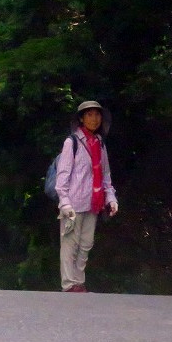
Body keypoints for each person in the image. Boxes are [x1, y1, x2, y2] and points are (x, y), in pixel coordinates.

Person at [55, 100, 118, 292]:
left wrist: (111, 198)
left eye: (97, 114)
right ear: (81, 119)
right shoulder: (72, 142)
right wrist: (65, 203)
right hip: (73, 203)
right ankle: (69, 284)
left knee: (86, 244)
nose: (94, 119)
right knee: (70, 244)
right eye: (89, 114)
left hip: (93, 203)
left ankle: (78, 282)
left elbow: (105, 175)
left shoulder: (100, 143)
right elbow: (63, 175)